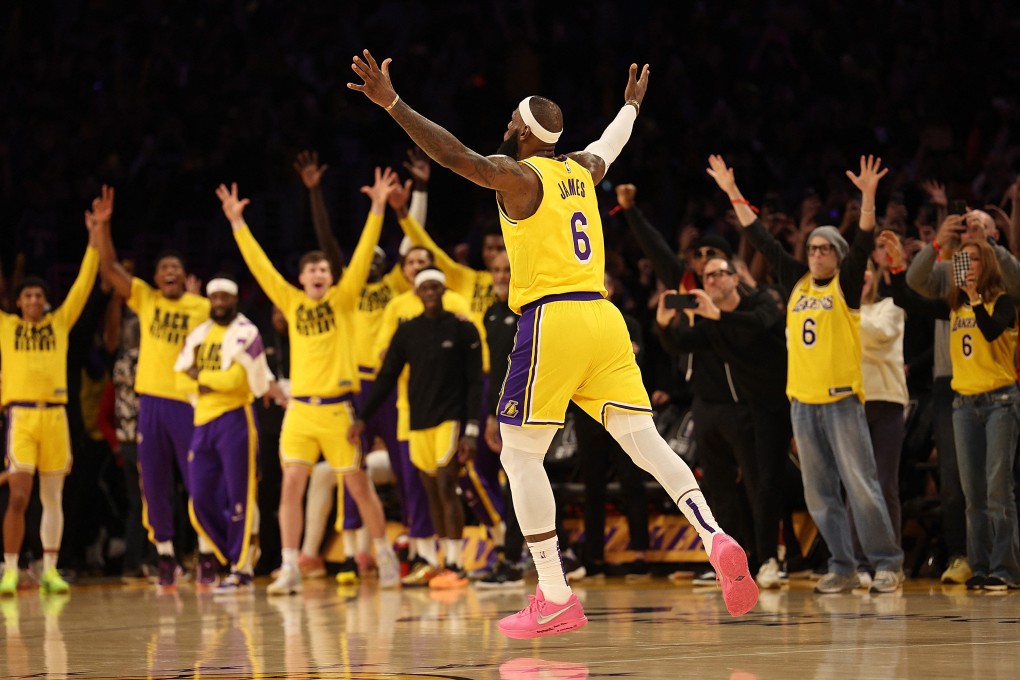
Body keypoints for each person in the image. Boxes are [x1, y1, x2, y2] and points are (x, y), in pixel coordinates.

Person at [350, 51, 758, 636]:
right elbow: (608, 146)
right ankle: (713, 533)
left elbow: (453, 155)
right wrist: (632, 107)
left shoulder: (521, 177)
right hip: (604, 318)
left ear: (519, 128)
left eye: (511, 122)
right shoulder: (580, 170)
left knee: (518, 456)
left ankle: (554, 592)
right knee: (644, 441)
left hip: (553, 321)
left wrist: (392, 103)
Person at [708, 153, 906, 594]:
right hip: (802, 402)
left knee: (862, 485)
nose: (817, 254)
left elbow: (865, 235)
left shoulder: (847, 283)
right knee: (819, 493)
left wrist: (868, 197)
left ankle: (887, 562)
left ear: (838, 255)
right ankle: (842, 565)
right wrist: (731, 192)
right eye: (813, 247)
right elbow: (761, 240)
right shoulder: (796, 280)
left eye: (825, 249)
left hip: (841, 399)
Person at [215, 170, 401, 595]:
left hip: (338, 410)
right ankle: (289, 566)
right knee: (291, 487)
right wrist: (237, 223)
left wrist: (376, 209)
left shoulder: (344, 296)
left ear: (330, 277)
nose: (318, 273)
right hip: (300, 410)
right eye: (311, 269)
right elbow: (259, 267)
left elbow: (361, 254)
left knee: (358, 487)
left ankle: (385, 554)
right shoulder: (292, 301)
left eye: (322, 268)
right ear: (301, 278)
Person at [93, 185, 211, 590]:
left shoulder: (202, 307)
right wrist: (103, 228)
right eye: (164, 269)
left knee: (198, 482)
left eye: (176, 268)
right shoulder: (146, 299)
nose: (171, 272)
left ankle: (208, 553)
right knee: (154, 483)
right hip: (152, 404)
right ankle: (165, 557)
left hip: (189, 402)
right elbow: (109, 270)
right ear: (157, 277)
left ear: (185, 275)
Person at [653, 251, 791, 589]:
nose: (712, 280)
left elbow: (761, 323)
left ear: (735, 276)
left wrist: (716, 315)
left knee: (763, 484)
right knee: (720, 486)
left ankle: (770, 557)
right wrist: (664, 324)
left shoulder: (760, 301)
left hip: (769, 404)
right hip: (728, 408)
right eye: (707, 276)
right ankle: (736, 560)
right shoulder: (710, 321)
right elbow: (681, 343)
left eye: (719, 273)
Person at [895, 236, 1020, 589]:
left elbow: (993, 330)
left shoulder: (1004, 301)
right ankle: (979, 567)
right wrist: (897, 264)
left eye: (973, 260)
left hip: (1000, 402)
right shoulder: (953, 305)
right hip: (963, 404)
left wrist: (976, 299)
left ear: (988, 265)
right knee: (972, 493)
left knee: (998, 490)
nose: (964, 266)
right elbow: (907, 296)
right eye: (961, 260)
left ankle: (1006, 569)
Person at [350, 266, 484, 589]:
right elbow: (386, 378)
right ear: (416, 292)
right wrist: (362, 416)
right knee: (429, 489)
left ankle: (456, 562)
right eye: (425, 288)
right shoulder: (407, 332)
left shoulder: (462, 330)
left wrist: (472, 429)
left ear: (444, 290)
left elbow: (474, 383)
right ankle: (443, 560)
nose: (431, 293)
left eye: (437, 287)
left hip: (450, 419)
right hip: (418, 421)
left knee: (445, 482)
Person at [0, 202, 100, 596]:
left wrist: (95, 236)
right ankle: (10, 569)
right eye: (27, 295)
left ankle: (50, 569)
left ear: (46, 301)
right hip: (21, 416)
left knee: (53, 497)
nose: (34, 300)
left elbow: (83, 284)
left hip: (56, 417)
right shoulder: (7, 328)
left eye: (39, 295)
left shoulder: (59, 323)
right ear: (19, 301)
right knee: (20, 495)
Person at [174, 275, 277, 592]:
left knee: (240, 495)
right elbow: (177, 379)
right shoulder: (199, 334)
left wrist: (199, 377)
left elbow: (235, 381)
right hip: (202, 421)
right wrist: (207, 379)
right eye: (214, 297)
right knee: (200, 497)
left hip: (236, 418)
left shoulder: (247, 332)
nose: (219, 303)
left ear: (235, 300)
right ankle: (228, 552)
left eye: (225, 298)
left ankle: (241, 566)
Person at [853, 255, 909, 588]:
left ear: (874, 274)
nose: (862, 275)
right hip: (851, 402)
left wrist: (846, 318)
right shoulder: (842, 311)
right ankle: (859, 562)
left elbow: (882, 334)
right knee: (855, 484)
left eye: (866, 268)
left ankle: (890, 561)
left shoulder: (891, 306)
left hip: (887, 401)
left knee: (884, 483)